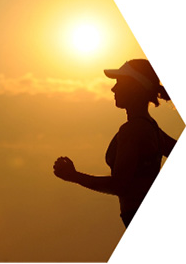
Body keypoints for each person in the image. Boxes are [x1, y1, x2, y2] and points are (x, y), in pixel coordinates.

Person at [53, 59, 177, 228]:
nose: (113, 88)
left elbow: (120, 185)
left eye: (119, 82)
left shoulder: (132, 129)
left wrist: (73, 176)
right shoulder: (150, 126)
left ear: (135, 87)